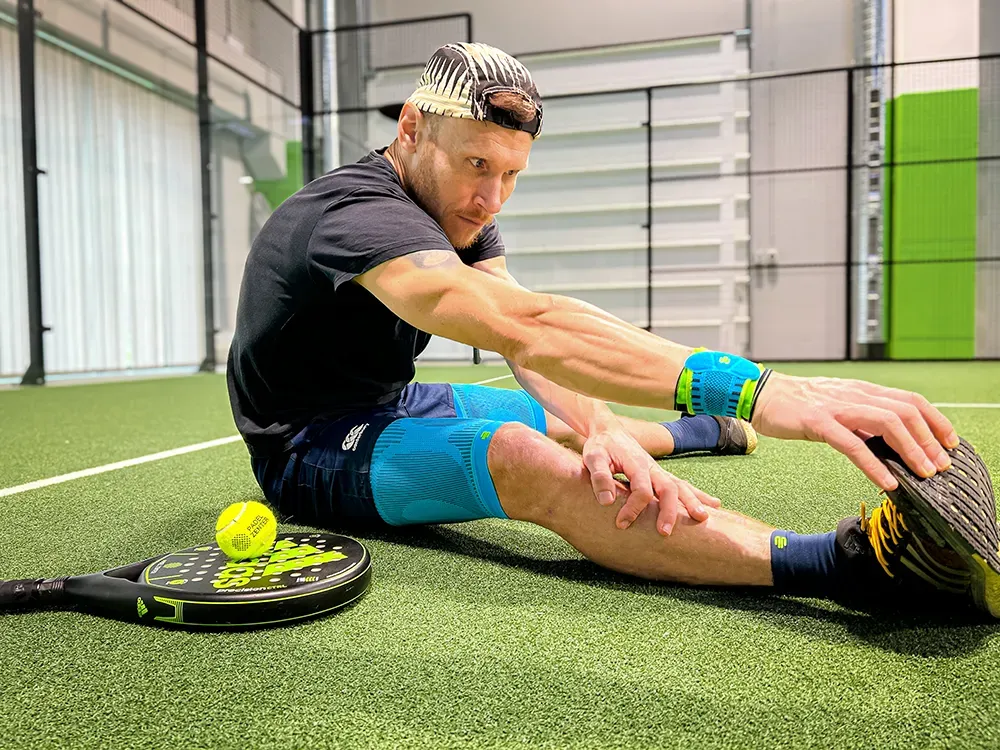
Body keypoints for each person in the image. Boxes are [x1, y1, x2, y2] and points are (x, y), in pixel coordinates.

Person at [227, 42, 998, 618]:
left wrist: (600, 428)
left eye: (511, 174)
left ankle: (697, 434)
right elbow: (524, 326)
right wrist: (763, 390)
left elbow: (523, 342)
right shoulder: (353, 217)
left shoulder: (455, 207)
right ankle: (847, 568)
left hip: (388, 402)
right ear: (410, 129)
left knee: (565, 418)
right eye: (476, 165)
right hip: (308, 445)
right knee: (527, 454)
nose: (492, 198)